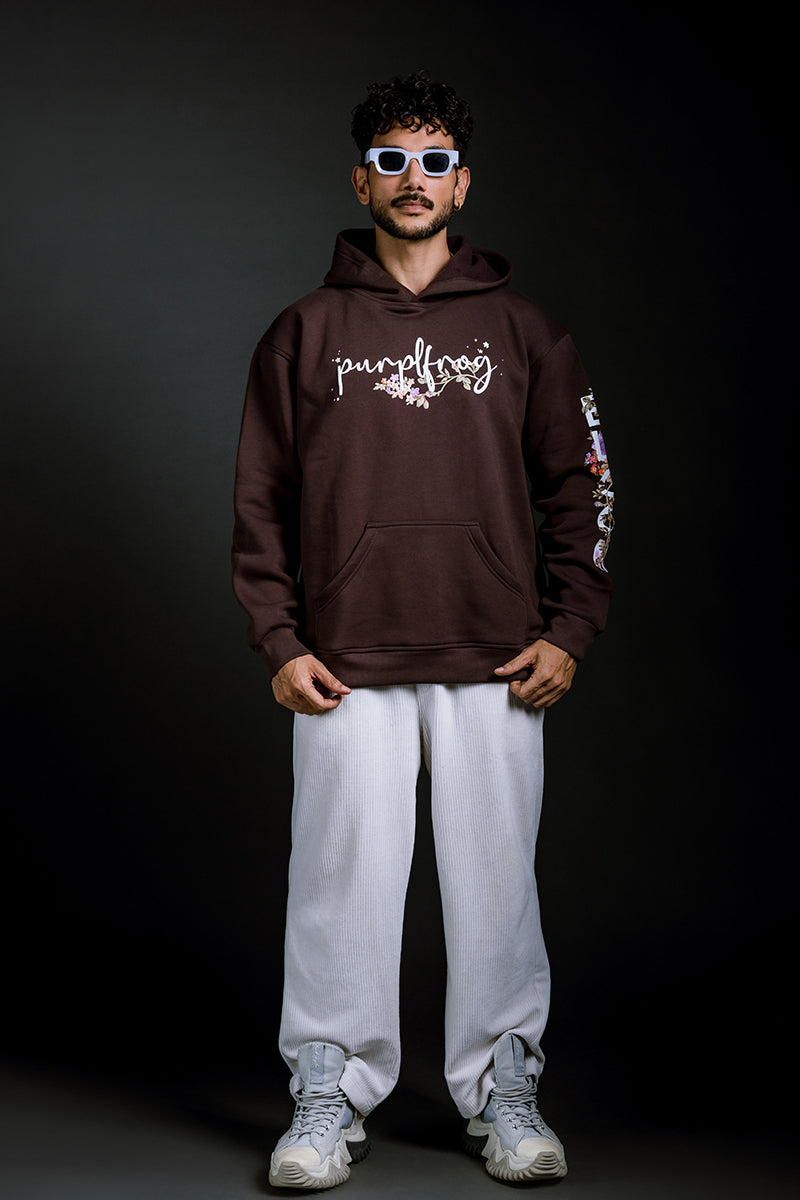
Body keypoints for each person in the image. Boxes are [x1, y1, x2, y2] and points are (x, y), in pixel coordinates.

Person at [232, 71, 614, 1190]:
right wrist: (278, 639)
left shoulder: (527, 332)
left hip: (498, 655)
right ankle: (327, 1091)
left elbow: (582, 485)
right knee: (339, 884)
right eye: (392, 160)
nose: (414, 179)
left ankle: (504, 1090)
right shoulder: (302, 333)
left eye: (434, 160)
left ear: (462, 183)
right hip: (343, 660)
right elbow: (259, 502)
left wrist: (570, 628)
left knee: (497, 887)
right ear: (361, 180)